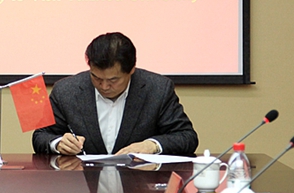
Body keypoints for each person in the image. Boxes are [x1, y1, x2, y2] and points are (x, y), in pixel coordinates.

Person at [32, 32, 198, 156]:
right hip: (82, 186)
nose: (104, 86)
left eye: (113, 80)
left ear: (131, 70)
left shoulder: (157, 89)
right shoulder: (66, 90)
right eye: (96, 77)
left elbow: (187, 137)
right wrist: (58, 143)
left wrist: (151, 145)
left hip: (139, 184)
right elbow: (41, 135)